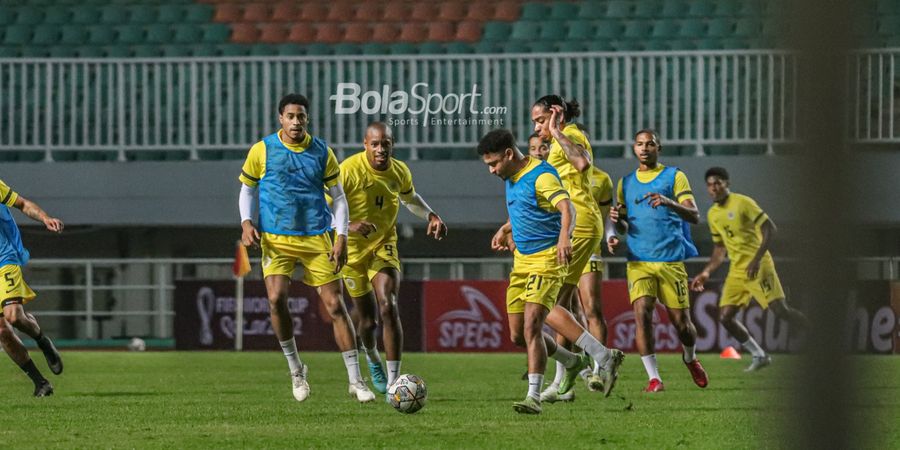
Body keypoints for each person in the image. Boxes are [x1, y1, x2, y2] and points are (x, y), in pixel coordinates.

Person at [238, 93, 374, 403]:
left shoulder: (321, 151)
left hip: (316, 237)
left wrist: (341, 237)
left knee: (336, 306)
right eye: (291, 116)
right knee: (275, 300)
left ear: (307, 119)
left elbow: (338, 198)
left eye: (301, 116)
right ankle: (296, 370)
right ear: (280, 119)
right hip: (276, 238)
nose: (296, 121)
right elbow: (247, 189)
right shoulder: (263, 150)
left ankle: (356, 380)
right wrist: (247, 222)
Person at [480, 129, 624, 414]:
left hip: (547, 258)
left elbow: (567, 208)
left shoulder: (542, 175)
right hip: (522, 262)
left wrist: (564, 238)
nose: (491, 170)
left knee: (535, 323)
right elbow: (524, 207)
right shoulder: (510, 176)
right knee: (518, 335)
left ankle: (533, 396)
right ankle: (579, 360)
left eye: (494, 163)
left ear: (509, 154)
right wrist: (505, 228)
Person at [339, 122, 447, 394]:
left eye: (385, 144)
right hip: (351, 251)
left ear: (392, 144)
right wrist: (349, 225)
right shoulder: (348, 169)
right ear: (365, 144)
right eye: (374, 144)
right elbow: (324, 206)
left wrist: (431, 215)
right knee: (367, 321)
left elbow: (410, 198)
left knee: (389, 305)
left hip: (383, 245)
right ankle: (372, 356)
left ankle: (393, 383)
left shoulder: (399, 171)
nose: (380, 149)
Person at [607, 129, 708, 393]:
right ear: (634, 149)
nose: (644, 148)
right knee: (642, 316)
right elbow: (624, 224)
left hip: (670, 260)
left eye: (649, 144)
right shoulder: (626, 182)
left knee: (682, 325)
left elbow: (695, 215)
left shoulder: (674, 176)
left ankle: (689, 357)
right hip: (638, 261)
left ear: (658, 148)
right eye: (639, 144)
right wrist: (617, 227)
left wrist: (668, 202)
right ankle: (654, 379)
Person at [690, 167, 809, 371]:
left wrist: (756, 259)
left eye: (718, 182)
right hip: (737, 270)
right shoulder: (712, 215)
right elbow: (720, 248)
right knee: (725, 317)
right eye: (710, 184)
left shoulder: (743, 203)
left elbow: (769, 228)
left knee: (780, 311)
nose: (714, 188)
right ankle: (759, 355)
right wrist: (706, 272)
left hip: (759, 264)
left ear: (727, 183)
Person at [529, 96, 606, 402]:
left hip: (581, 224)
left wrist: (557, 130)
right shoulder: (557, 145)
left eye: (540, 119)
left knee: (551, 305)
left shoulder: (570, 136)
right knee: (560, 304)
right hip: (577, 224)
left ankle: (599, 360)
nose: (537, 126)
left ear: (555, 114)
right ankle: (567, 381)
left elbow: (583, 162)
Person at [0, 179, 64, 397]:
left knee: (14, 317)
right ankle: (41, 383)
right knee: (2, 332)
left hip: (4, 259)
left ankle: (42, 340)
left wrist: (45, 218)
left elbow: (23, 204)